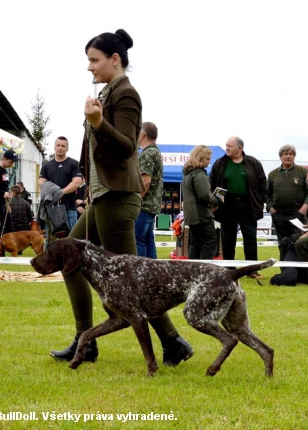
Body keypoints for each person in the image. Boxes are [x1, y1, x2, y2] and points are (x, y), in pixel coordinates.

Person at [50, 28, 193, 367]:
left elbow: (128, 145)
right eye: (88, 61)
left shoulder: (126, 94)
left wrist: (97, 122)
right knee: (69, 259)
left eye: (94, 60)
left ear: (115, 60)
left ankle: (173, 342)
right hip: (103, 197)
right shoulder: (109, 93)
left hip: (117, 198)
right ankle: (88, 341)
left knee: (133, 283)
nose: (89, 67)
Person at [210, 136, 266, 267]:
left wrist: (259, 200)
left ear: (239, 148)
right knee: (228, 240)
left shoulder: (253, 163)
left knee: (250, 239)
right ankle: (229, 268)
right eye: (226, 145)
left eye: (229, 146)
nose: (227, 148)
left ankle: (252, 269)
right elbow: (212, 183)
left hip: (248, 206)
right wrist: (214, 202)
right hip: (227, 206)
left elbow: (262, 184)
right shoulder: (220, 163)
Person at [266, 144, 308, 244]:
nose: (288, 156)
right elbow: (266, 194)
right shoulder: (272, 174)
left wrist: (304, 209)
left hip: (297, 214)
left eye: (291, 154)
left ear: (294, 156)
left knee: (298, 244)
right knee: (282, 244)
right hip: (278, 215)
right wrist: (271, 209)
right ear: (280, 157)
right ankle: (283, 260)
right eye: (285, 154)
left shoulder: (303, 172)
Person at [182, 145, 222, 259]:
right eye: (208, 159)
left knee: (196, 243)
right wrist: (217, 201)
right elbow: (204, 195)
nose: (209, 162)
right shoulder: (199, 174)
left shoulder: (188, 173)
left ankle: (193, 272)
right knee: (209, 242)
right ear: (200, 158)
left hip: (192, 215)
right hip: (201, 214)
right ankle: (204, 271)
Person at [38, 137, 82, 233]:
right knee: (50, 240)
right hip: (51, 208)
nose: (60, 148)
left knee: (71, 239)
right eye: (58, 145)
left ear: (67, 148)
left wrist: (61, 192)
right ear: (54, 147)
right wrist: (55, 192)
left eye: (63, 146)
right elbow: (41, 182)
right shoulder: (46, 165)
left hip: (69, 207)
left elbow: (77, 182)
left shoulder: (74, 164)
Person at [135, 122, 164, 259]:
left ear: (142, 135)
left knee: (138, 240)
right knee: (148, 240)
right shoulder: (156, 151)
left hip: (144, 205)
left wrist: (137, 199)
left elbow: (145, 181)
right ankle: (154, 274)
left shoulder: (147, 153)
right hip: (152, 205)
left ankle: (141, 275)